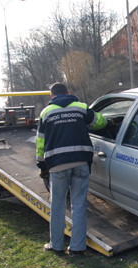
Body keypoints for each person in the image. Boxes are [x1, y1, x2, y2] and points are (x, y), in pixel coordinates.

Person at [36, 82, 107, 256]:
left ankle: (56, 245)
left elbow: (40, 143)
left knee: (58, 205)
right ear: (68, 92)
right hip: (81, 162)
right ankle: (77, 248)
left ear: (51, 96)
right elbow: (100, 123)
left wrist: (41, 164)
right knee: (79, 205)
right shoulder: (81, 108)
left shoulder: (46, 113)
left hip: (57, 165)